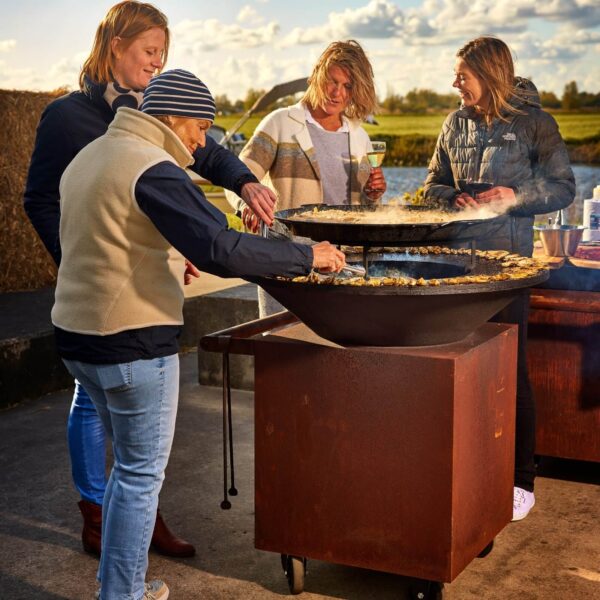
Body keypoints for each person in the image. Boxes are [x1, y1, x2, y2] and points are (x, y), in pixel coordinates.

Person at [51, 68, 344, 600]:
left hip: (76, 340)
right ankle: (122, 595)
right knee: (141, 478)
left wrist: (161, 253)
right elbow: (222, 248)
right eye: (201, 127)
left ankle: (116, 587)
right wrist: (307, 256)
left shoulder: (90, 157)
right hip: (133, 344)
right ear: (173, 118)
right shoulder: (153, 167)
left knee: (125, 475)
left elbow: (109, 238)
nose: (202, 141)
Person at [23, 0, 276, 558]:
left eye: (163, 54)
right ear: (115, 44)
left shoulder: (156, 111)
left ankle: (133, 517)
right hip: (93, 290)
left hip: (131, 288)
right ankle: (99, 512)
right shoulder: (68, 116)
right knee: (91, 404)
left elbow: (204, 151)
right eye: (148, 51)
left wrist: (245, 182)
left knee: (128, 439)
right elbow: (41, 198)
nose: (157, 63)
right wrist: (81, 258)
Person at [423, 36, 575, 521]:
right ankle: (463, 468)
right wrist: (451, 198)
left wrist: (514, 194)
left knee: (511, 371)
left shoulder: (536, 123)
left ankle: (520, 481)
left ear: (489, 75)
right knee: (455, 371)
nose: (455, 84)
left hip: (506, 270)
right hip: (453, 268)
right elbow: (430, 185)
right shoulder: (454, 123)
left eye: (462, 76)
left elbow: (563, 187)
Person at [227, 39, 386, 316]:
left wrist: (373, 194)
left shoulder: (360, 137)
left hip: (345, 269)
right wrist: (246, 206)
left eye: (347, 86)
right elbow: (237, 178)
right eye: (332, 81)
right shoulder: (281, 123)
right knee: (283, 347)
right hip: (287, 263)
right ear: (317, 77)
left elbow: (365, 209)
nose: (337, 93)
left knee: (338, 353)